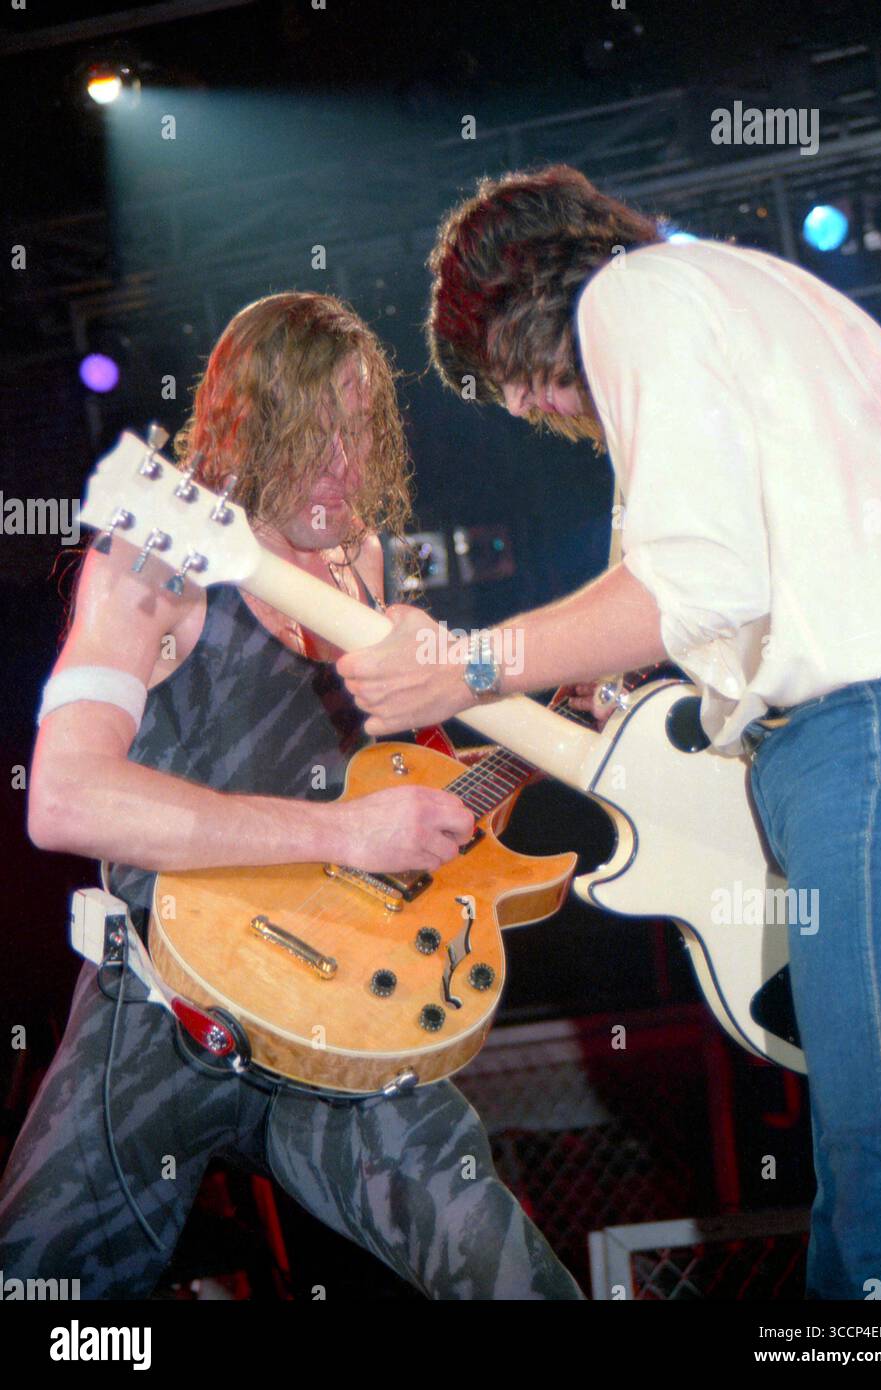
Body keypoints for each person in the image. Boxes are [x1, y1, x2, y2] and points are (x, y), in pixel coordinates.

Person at [335, 165, 881, 1300]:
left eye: (498, 376)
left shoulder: (632, 294)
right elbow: (659, 608)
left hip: (863, 749)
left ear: (518, 296)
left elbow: (691, 586)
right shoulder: (768, 290)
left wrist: (459, 664)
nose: (520, 408)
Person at [0, 291, 584, 1301]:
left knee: (512, 1279)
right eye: (315, 434)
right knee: (42, 1299)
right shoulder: (151, 561)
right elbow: (62, 797)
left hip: (347, 1013)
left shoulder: (361, 566)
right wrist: (349, 831)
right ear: (242, 428)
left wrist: (531, 730)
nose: (345, 466)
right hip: (164, 1004)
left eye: (361, 432)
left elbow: (403, 794)